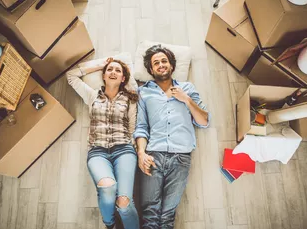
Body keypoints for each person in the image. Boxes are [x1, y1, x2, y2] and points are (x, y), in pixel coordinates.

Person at [134, 45, 210, 229]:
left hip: (181, 157)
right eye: (156, 63)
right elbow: (141, 127)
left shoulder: (187, 88)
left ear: (171, 65)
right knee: (150, 214)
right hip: (153, 156)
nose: (161, 65)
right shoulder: (144, 92)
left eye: (164, 61)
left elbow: (204, 121)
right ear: (151, 70)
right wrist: (141, 153)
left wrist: (187, 100)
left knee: (167, 216)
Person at [66, 58, 140, 229]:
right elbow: (71, 76)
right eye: (110, 70)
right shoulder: (92, 96)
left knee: (124, 202)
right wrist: (101, 65)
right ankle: (110, 223)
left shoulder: (130, 99)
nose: (113, 72)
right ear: (104, 76)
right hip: (98, 152)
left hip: (124, 151)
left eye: (118, 70)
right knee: (107, 188)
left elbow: (132, 127)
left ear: (123, 79)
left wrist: (135, 149)